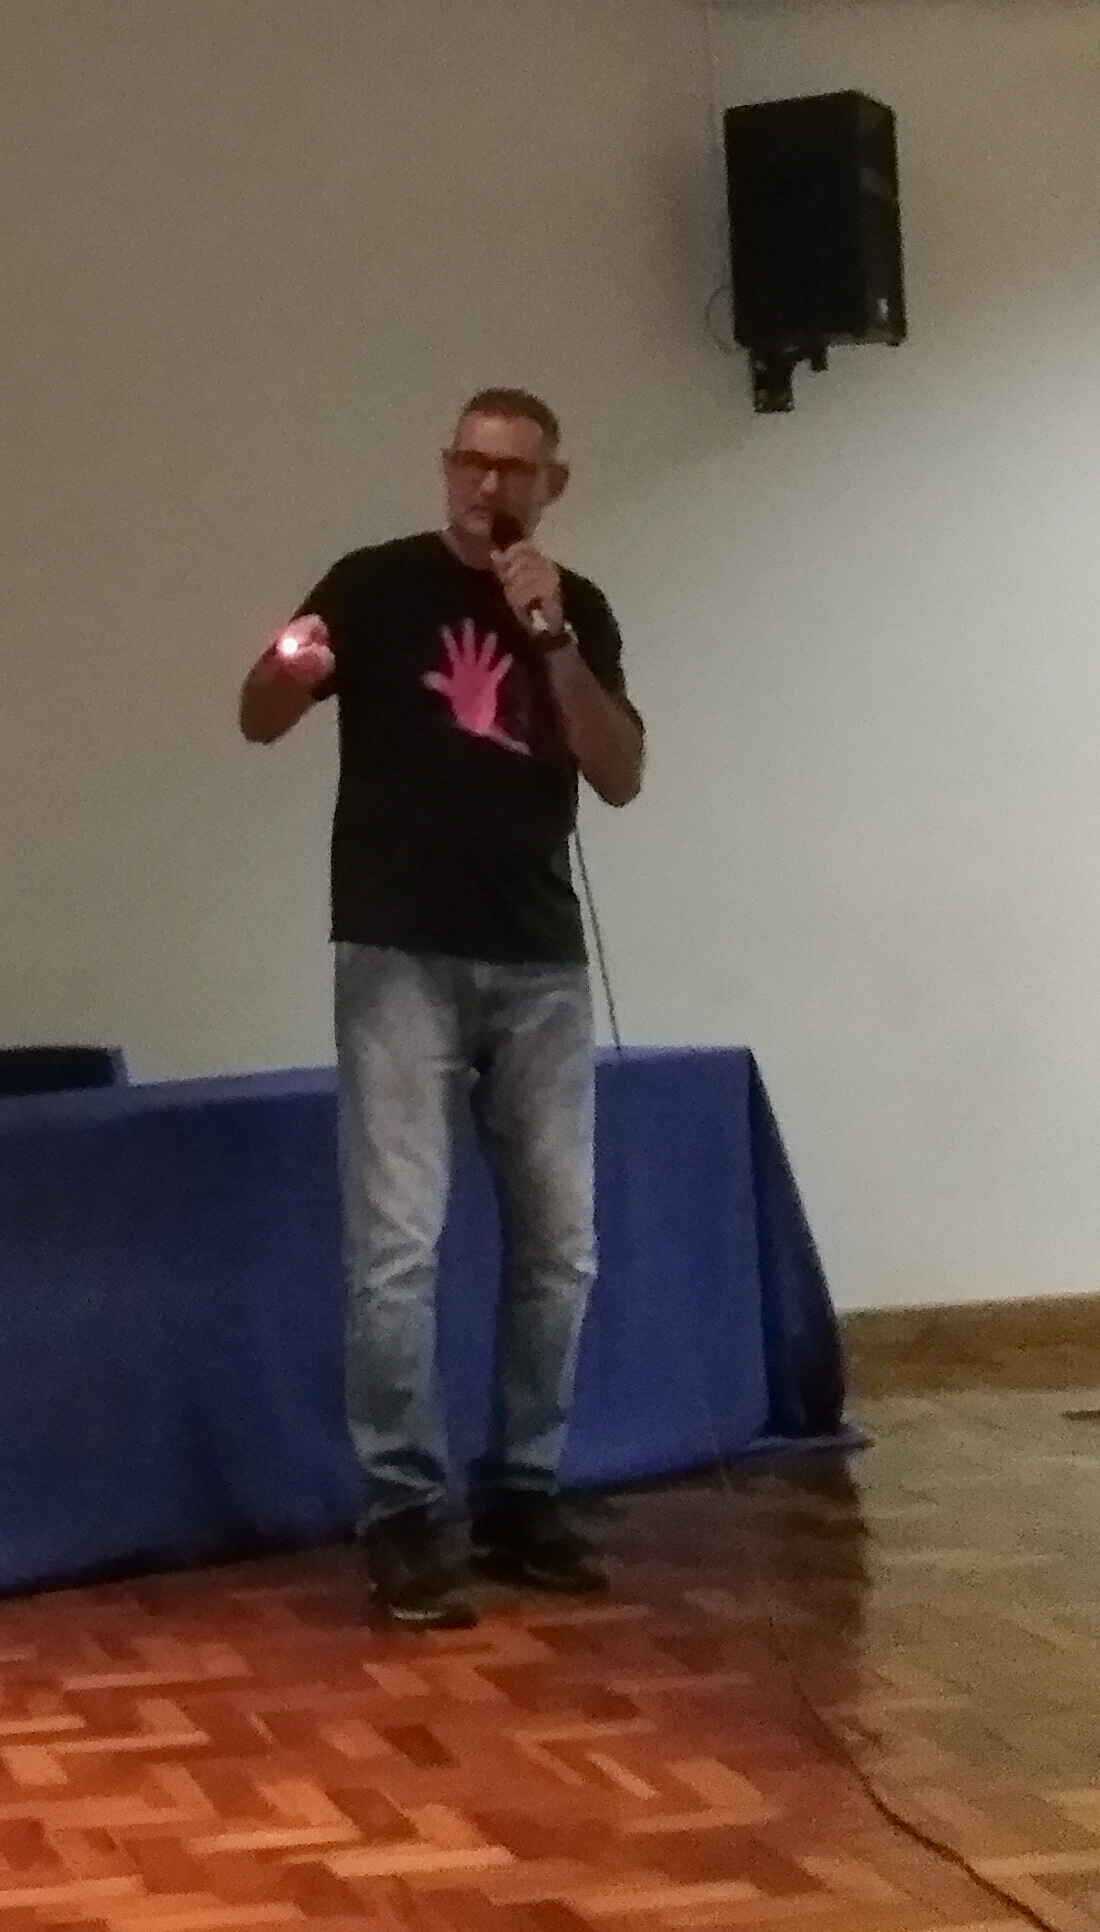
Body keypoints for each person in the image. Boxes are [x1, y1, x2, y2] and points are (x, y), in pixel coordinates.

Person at [239, 388, 645, 1630]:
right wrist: (285, 667)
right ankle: (405, 1513)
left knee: (560, 1245)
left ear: (551, 486)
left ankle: (523, 1492)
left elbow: (619, 775)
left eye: (513, 470)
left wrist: (552, 640)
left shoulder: (578, 609)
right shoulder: (373, 586)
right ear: (444, 468)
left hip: (538, 961)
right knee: (398, 1247)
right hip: (399, 955)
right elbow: (259, 715)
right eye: (470, 463)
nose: (487, 487)